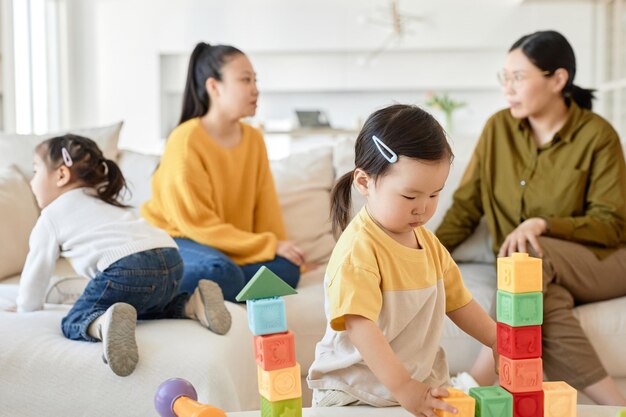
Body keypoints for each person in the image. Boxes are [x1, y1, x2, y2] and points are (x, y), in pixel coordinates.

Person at [436, 30, 626, 406]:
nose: (508, 88)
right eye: (504, 77)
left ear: (557, 79)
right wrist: (428, 253)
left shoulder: (597, 136)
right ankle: (616, 405)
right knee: (540, 302)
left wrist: (544, 224)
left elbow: (612, 224)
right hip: (531, 272)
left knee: (529, 259)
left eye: (518, 77)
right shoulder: (497, 130)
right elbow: (466, 205)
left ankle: (478, 377)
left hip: (602, 262)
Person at [307, 104, 498, 416]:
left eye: (434, 194)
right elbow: (360, 326)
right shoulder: (359, 249)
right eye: (410, 196)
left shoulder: (429, 244)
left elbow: (459, 302)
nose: (422, 208)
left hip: (411, 387)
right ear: (364, 182)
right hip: (355, 394)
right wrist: (404, 386)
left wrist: (496, 340)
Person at [14, 134, 231, 377]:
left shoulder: (51, 216)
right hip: (170, 257)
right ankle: (193, 304)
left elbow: (37, 269)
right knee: (144, 306)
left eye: (35, 171)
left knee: (75, 319)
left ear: (61, 175)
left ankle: (104, 323)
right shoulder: (105, 202)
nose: (32, 182)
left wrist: (26, 307)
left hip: (126, 266)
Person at [141, 42, 304, 302]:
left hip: (221, 249)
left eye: (255, 80)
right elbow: (197, 224)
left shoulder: (254, 139)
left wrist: (282, 248)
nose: (255, 90)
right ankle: (144, 282)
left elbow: (266, 207)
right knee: (219, 272)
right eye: (245, 80)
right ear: (214, 86)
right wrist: (267, 246)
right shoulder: (186, 139)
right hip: (178, 239)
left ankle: (210, 290)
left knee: (286, 270)